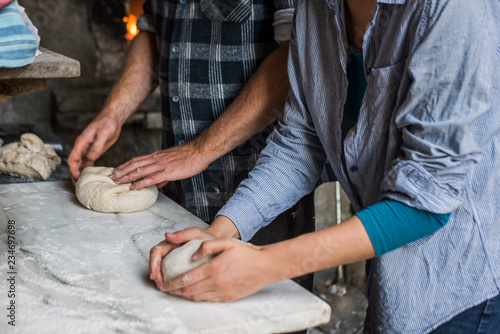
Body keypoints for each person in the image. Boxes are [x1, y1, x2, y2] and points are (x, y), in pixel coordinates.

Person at [149, 0, 500, 332]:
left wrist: (265, 264)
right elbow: (301, 142)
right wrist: (219, 233)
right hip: (393, 283)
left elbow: (426, 202)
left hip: (465, 290)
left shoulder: (453, 9)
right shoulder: (316, 7)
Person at [68, 0, 318, 292]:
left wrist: (201, 149)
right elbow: (152, 31)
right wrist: (113, 113)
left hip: (262, 186)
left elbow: (299, 53)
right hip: (175, 189)